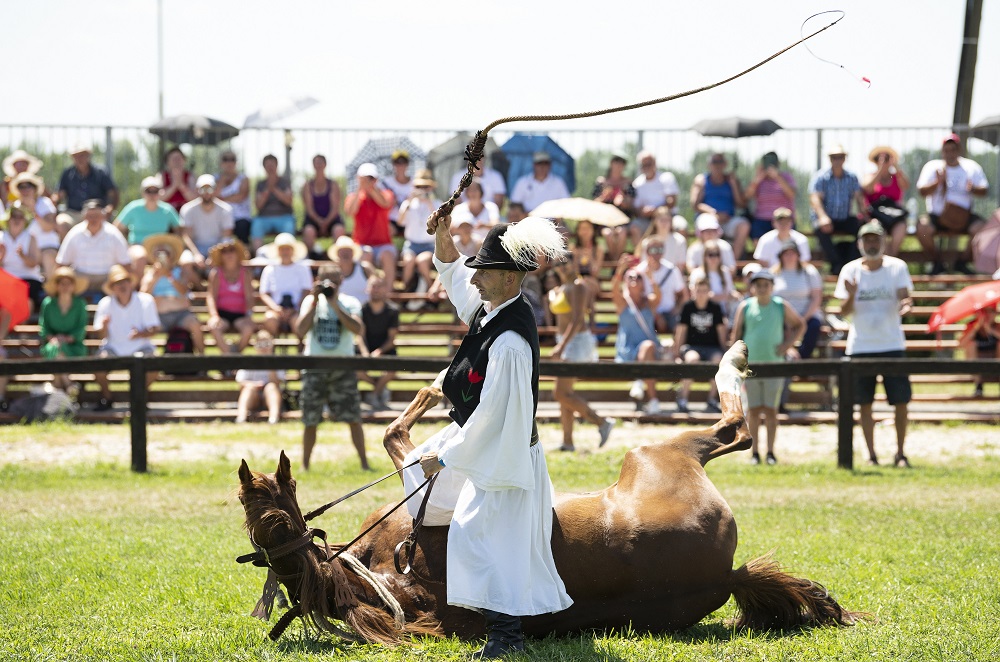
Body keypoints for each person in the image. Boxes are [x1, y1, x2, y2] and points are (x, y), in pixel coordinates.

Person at [405, 214, 573, 658]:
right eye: (477, 269)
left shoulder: (511, 343)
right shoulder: (491, 309)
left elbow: (495, 417)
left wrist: (445, 457)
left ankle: (505, 636)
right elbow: (456, 277)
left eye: (484, 270)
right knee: (418, 483)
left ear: (509, 276)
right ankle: (437, 575)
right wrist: (443, 237)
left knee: (479, 534)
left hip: (504, 454)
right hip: (484, 442)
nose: (475, 278)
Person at [834, 221, 914, 467]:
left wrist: (906, 305)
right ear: (860, 243)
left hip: (892, 344)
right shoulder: (850, 270)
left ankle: (900, 453)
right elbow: (844, 311)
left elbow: (905, 297)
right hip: (860, 346)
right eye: (867, 240)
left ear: (883, 242)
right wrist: (853, 294)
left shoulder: (897, 267)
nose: (871, 244)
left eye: (875, 239)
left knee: (900, 402)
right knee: (864, 404)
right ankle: (871, 455)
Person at [296, 264, 367, 470]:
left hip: (343, 366)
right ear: (317, 280)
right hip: (314, 366)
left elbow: (358, 329)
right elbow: (300, 330)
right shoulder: (310, 301)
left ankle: (364, 463)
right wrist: (316, 299)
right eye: (325, 280)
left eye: (334, 280)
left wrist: (335, 303)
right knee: (310, 419)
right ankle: (305, 465)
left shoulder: (349, 302)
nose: (329, 284)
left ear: (341, 281)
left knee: (353, 417)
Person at [729, 270, 804, 465]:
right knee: (753, 411)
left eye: (766, 285)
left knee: (771, 410)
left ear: (772, 286)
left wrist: (787, 346)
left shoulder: (780, 306)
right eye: (758, 285)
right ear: (752, 287)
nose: (762, 289)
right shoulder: (745, 307)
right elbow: (736, 335)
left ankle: (770, 452)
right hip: (751, 366)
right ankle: (754, 453)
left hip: (774, 365)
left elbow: (799, 325)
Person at [547, 257, 615, 451]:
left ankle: (602, 422)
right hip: (566, 341)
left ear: (574, 264)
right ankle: (567, 442)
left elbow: (577, 320)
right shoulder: (561, 287)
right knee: (565, 394)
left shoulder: (578, 286)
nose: (563, 266)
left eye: (566, 262)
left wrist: (561, 347)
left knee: (560, 393)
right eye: (558, 264)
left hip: (577, 341)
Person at [915, 133, 990, 274]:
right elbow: (922, 191)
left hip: (964, 216)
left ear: (959, 150)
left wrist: (973, 188)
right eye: (946, 150)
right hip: (937, 216)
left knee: (983, 229)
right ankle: (937, 263)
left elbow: (984, 190)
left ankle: (962, 262)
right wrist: (938, 183)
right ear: (942, 151)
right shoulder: (933, 167)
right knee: (922, 228)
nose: (950, 153)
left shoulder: (971, 167)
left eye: (953, 149)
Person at [92, 265, 161, 411]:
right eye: (117, 283)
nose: (122, 285)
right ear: (112, 287)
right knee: (98, 364)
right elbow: (101, 336)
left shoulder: (145, 300)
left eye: (124, 281)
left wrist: (141, 334)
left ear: (131, 283)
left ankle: (138, 397)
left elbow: (154, 329)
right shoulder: (105, 303)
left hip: (142, 347)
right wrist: (104, 327)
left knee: (155, 364)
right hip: (112, 348)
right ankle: (107, 398)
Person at [612, 254, 664, 415]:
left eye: (638, 277)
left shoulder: (648, 302)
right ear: (625, 282)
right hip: (628, 351)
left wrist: (650, 276)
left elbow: (659, 295)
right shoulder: (622, 303)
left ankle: (641, 382)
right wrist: (620, 270)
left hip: (648, 349)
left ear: (643, 283)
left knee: (647, 348)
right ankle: (653, 400)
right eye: (631, 277)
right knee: (647, 356)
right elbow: (613, 288)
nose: (634, 279)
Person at [139, 233, 205, 354]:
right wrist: (155, 277)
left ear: (171, 256)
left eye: (165, 253)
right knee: (143, 331)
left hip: (182, 315)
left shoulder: (180, 272)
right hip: (158, 317)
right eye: (158, 253)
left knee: (195, 326)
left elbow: (183, 291)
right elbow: (143, 295)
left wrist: (170, 277)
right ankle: (147, 364)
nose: (162, 257)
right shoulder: (150, 274)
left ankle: (203, 359)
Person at [808, 144, 867, 275]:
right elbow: (815, 199)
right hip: (826, 218)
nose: (837, 160)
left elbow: (859, 198)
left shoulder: (852, 177)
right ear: (830, 159)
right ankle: (836, 264)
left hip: (844, 218)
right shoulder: (821, 177)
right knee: (820, 229)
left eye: (840, 157)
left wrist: (866, 217)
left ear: (844, 159)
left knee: (863, 230)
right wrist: (823, 217)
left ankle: (850, 262)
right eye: (834, 157)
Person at [55, 199, 131, 299]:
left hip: (107, 278)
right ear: (84, 217)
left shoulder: (113, 234)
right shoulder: (75, 233)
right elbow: (62, 263)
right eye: (90, 216)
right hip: (80, 278)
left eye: (96, 216)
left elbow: (126, 263)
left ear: (103, 217)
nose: (93, 219)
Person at [674, 277, 727, 413]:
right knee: (692, 360)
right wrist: (677, 352)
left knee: (717, 361)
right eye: (698, 290)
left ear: (709, 291)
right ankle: (683, 399)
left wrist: (724, 350)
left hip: (712, 347)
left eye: (704, 290)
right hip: (692, 346)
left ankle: (712, 400)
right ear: (693, 291)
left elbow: (721, 330)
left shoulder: (715, 308)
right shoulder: (688, 307)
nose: (701, 294)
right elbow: (682, 330)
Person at [38, 266, 89, 392]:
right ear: (56, 285)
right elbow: (44, 329)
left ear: (73, 286)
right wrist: (55, 339)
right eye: (62, 283)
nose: (65, 286)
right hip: (52, 345)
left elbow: (81, 329)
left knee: (58, 351)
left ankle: (58, 387)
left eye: (69, 283)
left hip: (74, 347)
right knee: (56, 349)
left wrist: (66, 339)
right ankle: (69, 386)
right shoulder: (48, 303)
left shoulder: (80, 304)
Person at [690, 152, 751, 259]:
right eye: (714, 162)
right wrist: (714, 214)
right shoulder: (702, 180)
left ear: (725, 164)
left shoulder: (732, 180)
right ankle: (707, 261)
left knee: (744, 225)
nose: (717, 165)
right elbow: (695, 204)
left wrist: (733, 184)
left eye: (720, 162)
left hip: (728, 220)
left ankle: (733, 263)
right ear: (709, 165)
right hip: (708, 218)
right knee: (709, 225)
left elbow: (741, 204)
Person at [345, 162, 397, 286]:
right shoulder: (354, 197)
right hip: (361, 244)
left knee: (388, 257)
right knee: (365, 257)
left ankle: (387, 293)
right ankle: (370, 293)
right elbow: (350, 211)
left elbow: (385, 203)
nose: (369, 181)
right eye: (365, 178)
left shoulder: (386, 194)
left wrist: (371, 189)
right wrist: (360, 190)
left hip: (383, 244)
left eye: (371, 178)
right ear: (358, 179)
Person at [178, 174, 234, 288]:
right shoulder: (188, 209)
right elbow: (186, 236)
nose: (206, 192)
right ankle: (201, 289)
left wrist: (214, 254)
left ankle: (220, 291)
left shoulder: (226, 209)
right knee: (185, 262)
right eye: (203, 189)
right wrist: (196, 254)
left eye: (209, 188)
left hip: (219, 248)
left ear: (215, 190)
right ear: (197, 190)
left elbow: (226, 236)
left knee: (230, 258)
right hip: (195, 247)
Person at [770, 240, 823, 359]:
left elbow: (816, 298)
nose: (789, 257)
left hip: (807, 315)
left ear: (798, 255)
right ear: (781, 256)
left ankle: (802, 360)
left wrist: (802, 319)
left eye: (792, 253)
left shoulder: (809, 271)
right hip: (781, 316)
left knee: (814, 327)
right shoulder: (773, 273)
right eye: (786, 253)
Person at [54, 143, 118, 233]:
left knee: (106, 228)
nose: (79, 158)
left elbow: (112, 193)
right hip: (73, 213)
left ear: (88, 156)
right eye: (76, 156)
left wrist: (109, 209)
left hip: (96, 212)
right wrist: (53, 202)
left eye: (82, 155)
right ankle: (71, 247)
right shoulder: (67, 173)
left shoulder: (101, 172)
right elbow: (59, 194)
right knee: (62, 223)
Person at [206, 239, 255, 354]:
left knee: (248, 329)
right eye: (225, 252)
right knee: (214, 327)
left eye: (232, 250)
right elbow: (211, 297)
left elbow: (249, 297)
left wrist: (249, 315)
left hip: (241, 315)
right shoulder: (216, 273)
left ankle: (235, 357)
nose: (229, 254)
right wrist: (214, 315)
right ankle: (229, 357)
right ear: (221, 256)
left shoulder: (245, 273)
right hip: (222, 315)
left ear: (238, 254)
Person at [358, 273, 399, 410]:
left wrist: (379, 352)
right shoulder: (361, 310)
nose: (376, 289)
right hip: (366, 348)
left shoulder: (392, 310)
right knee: (355, 369)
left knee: (392, 370)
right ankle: (380, 390)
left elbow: (391, 339)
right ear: (367, 289)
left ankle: (374, 395)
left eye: (379, 286)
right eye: (373, 286)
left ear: (385, 289)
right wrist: (365, 353)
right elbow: (360, 336)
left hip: (385, 349)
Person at [259, 233, 312, 337]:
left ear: (293, 250)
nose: (285, 252)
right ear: (277, 251)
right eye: (282, 249)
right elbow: (264, 293)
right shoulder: (269, 269)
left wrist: (295, 308)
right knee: (270, 319)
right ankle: (271, 350)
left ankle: (300, 351)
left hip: (297, 310)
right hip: (276, 310)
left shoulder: (303, 268)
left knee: (299, 323)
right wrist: (276, 308)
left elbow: (306, 291)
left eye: (287, 248)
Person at [397, 169, 440, 296]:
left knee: (422, 262)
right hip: (411, 244)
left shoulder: (436, 203)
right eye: (418, 186)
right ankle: (405, 292)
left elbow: (438, 222)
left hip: (429, 245)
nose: (422, 189)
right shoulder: (408, 203)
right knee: (409, 261)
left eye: (425, 187)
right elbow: (400, 222)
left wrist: (429, 203)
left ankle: (431, 291)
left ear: (430, 188)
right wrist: (409, 201)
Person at [862, 145, 910, 257]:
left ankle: (891, 258)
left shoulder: (896, 177)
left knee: (901, 227)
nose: (884, 161)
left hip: (894, 217)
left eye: (887, 158)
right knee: (876, 229)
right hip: (875, 217)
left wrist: (896, 167)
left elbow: (906, 185)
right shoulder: (870, 176)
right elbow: (867, 188)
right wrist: (880, 170)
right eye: (880, 158)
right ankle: (884, 259)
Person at [11, 171, 59, 277]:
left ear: (35, 188)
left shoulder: (44, 202)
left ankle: (50, 291)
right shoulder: (15, 207)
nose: (25, 190)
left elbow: (49, 227)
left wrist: (33, 211)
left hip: (46, 246)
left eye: (28, 185)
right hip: (24, 249)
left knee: (49, 256)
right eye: (21, 187)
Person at [637, 235, 686, 334]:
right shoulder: (639, 271)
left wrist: (677, 309)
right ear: (647, 252)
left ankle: (678, 349)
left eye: (660, 250)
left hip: (669, 312)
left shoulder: (671, 270)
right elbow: (637, 298)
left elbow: (682, 294)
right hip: (647, 311)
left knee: (681, 326)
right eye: (653, 250)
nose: (656, 253)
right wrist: (656, 315)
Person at [1, 202, 44, 311]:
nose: (17, 220)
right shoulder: (1, 237)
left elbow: (34, 263)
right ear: (8, 219)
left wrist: (23, 256)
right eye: (14, 216)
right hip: (6, 280)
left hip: (28, 280)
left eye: (20, 217)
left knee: (26, 299)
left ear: (25, 220)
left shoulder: (31, 238)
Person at [631, 150, 680, 248]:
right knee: (634, 227)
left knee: (681, 227)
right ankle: (640, 257)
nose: (646, 167)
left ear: (655, 164)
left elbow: (672, 201)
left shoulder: (666, 178)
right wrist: (642, 212)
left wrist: (656, 211)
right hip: (646, 220)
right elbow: (636, 207)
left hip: (669, 217)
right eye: (643, 165)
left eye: (649, 164)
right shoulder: (637, 183)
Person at [115, 175, 182, 245]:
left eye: (155, 191)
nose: (152, 194)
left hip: (160, 247)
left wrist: (172, 243)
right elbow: (117, 228)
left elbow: (179, 230)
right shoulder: (133, 208)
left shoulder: (167, 210)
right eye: (148, 191)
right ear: (142, 193)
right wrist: (125, 245)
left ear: (160, 192)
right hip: (137, 245)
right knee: (140, 256)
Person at [745, 151, 796, 243]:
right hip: (762, 219)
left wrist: (777, 177)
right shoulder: (759, 179)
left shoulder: (786, 177)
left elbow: (791, 194)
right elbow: (747, 196)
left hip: (783, 217)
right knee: (757, 235)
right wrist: (757, 179)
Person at [235, 330, 285, 424]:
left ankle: (273, 419)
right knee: (248, 388)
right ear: (255, 346)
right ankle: (241, 418)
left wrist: (269, 363)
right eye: (260, 344)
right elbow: (241, 382)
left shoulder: (277, 361)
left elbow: (277, 383)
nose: (264, 348)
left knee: (271, 387)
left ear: (272, 344)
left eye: (267, 344)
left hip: (270, 395)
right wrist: (254, 385)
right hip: (254, 395)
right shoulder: (249, 361)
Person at [301, 154, 343, 260]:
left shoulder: (333, 184)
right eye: (316, 163)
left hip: (332, 219)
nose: (318, 165)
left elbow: (335, 208)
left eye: (320, 163)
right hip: (313, 220)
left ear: (325, 165)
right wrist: (319, 221)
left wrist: (326, 222)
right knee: (308, 232)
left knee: (339, 231)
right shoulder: (307, 185)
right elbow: (309, 208)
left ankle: (335, 260)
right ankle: (312, 260)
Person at [593, 153, 635, 260]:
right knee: (608, 234)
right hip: (604, 220)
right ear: (611, 163)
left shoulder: (628, 182)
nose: (618, 165)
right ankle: (616, 263)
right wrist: (604, 197)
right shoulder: (601, 182)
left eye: (621, 163)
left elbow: (631, 204)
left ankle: (615, 264)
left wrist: (623, 200)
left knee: (621, 233)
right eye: (616, 161)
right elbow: (594, 204)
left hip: (622, 219)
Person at [251, 154, 295, 252]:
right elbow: (258, 206)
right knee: (256, 225)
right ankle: (259, 259)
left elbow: (289, 201)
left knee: (289, 226)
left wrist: (274, 189)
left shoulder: (285, 182)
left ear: (277, 166)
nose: (270, 168)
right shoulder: (260, 184)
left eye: (272, 165)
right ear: (264, 167)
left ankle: (288, 256)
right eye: (268, 166)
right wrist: (267, 190)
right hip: (264, 218)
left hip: (284, 217)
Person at [688, 239, 738, 316]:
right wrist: (722, 297)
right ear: (705, 257)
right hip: (704, 313)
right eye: (711, 255)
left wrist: (736, 296)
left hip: (724, 312)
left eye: (717, 254)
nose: (714, 258)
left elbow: (730, 291)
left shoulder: (725, 272)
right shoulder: (697, 273)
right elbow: (695, 295)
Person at [958, 306, 999, 397]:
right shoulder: (972, 325)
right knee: (971, 345)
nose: (988, 315)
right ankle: (978, 385)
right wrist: (977, 327)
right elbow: (961, 344)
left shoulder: (997, 326)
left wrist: (990, 330)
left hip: (994, 361)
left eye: (991, 312)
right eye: (985, 312)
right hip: (976, 363)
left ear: (996, 313)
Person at [216, 150, 252, 244]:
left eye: (232, 159)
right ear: (221, 163)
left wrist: (221, 199)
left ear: (236, 162)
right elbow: (212, 196)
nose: (229, 162)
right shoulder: (215, 178)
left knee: (242, 228)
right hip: (220, 216)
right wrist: (222, 181)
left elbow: (241, 196)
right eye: (225, 159)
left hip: (240, 217)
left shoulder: (243, 178)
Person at [451, 178, 500, 244]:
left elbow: (496, 226)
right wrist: (465, 229)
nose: (473, 193)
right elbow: (451, 229)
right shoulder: (458, 209)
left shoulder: (491, 207)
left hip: (486, 246)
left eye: (475, 190)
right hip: (464, 247)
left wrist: (484, 225)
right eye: (470, 190)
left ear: (481, 191)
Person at [328, 235, 373, 306]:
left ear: (353, 253)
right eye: (342, 251)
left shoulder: (365, 269)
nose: (345, 253)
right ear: (337, 253)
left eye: (348, 250)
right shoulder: (331, 272)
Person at [570, 219, 605, 301]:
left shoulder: (598, 249)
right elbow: (573, 273)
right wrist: (575, 258)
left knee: (585, 284)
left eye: (587, 229)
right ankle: (587, 312)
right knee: (580, 285)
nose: (585, 232)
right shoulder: (573, 248)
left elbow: (595, 273)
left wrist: (591, 258)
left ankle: (581, 312)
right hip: (576, 281)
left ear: (592, 231)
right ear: (578, 231)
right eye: (582, 229)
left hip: (592, 281)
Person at [380, 149, 413, 234]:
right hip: (392, 220)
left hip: (410, 219)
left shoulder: (415, 182)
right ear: (393, 165)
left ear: (407, 164)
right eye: (397, 162)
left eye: (403, 162)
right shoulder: (386, 183)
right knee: (385, 230)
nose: (400, 166)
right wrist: (389, 201)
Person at [159, 147, 196, 212]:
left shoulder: (190, 176)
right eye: (173, 159)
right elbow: (159, 197)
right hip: (167, 213)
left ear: (184, 161)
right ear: (167, 162)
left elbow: (195, 199)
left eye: (179, 159)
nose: (176, 162)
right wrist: (174, 186)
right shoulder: (162, 176)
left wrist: (181, 185)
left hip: (187, 213)